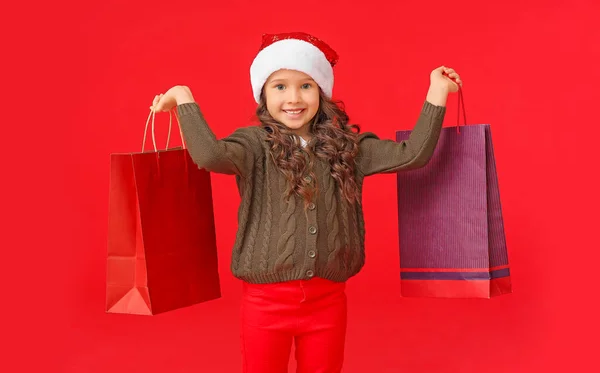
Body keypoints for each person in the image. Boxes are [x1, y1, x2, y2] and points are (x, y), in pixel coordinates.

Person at [150, 32, 462, 373]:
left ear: (322, 92)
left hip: (328, 303)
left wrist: (437, 91)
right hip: (264, 306)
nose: (293, 98)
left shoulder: (347, 147)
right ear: (263, 94)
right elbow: (209, 155)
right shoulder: (253, 145)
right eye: (280, 86)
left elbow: (412, 155)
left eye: (306, 86)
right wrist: (184, 99)